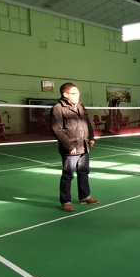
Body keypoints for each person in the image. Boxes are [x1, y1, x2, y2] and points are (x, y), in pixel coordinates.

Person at [50, 82, 100, 212]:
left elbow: (87, 122)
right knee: (68, 175)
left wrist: (91, 138)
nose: (77, 95)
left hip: (84, 146)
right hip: (70, 149)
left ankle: (85, 197)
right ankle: (65, 201)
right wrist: (69, 146)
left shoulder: (80, 106)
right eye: (74, 93)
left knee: (83, 172)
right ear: (65, 94)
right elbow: (57, 129)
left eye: (78, 93)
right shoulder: (58, 108)